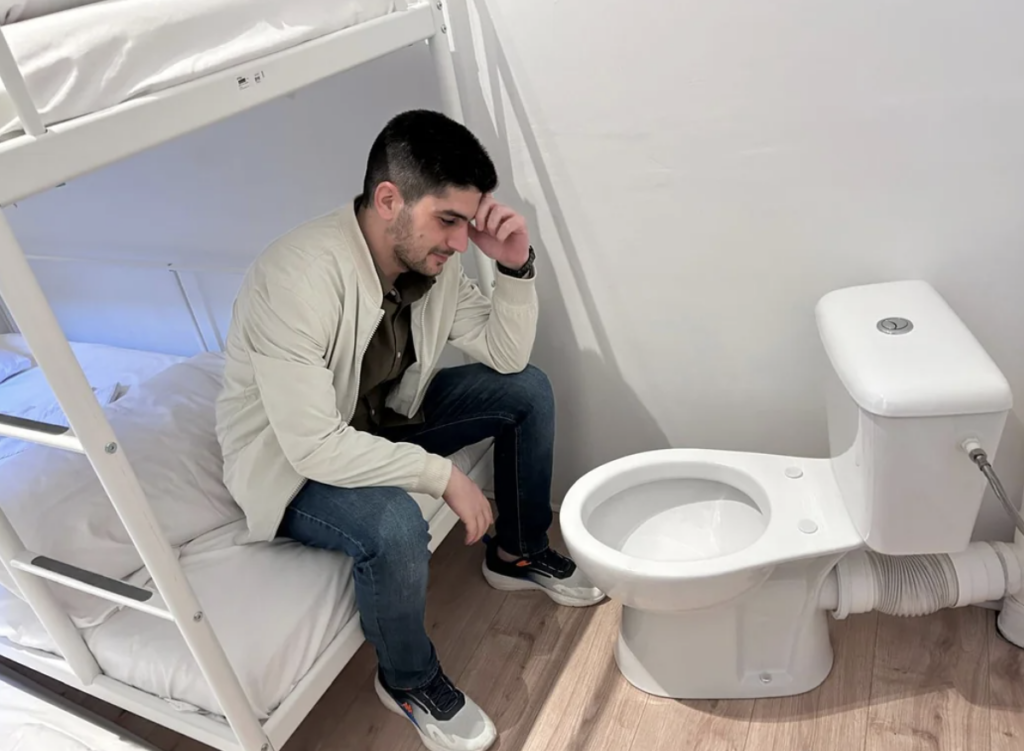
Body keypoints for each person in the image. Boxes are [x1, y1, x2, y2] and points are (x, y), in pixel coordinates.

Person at [215, 109, 604, 751]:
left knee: (526, 389)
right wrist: (441, 475)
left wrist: (515, 266)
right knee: (397, 521)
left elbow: (504, 356)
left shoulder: (432, 265)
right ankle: (406, 680)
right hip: (293, 465)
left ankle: (517, 550)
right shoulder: (296, 278)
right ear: (389, 199)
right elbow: (313, 443)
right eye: (447, 220)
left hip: (384, 425)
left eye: (465, 222)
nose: (458, 242)